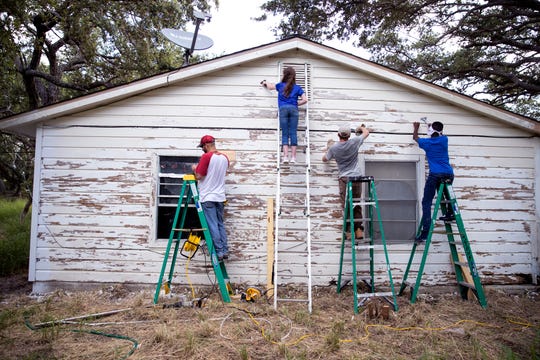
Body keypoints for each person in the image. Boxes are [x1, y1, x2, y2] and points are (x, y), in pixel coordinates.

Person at [322, 124, 370, 239]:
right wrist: (361, 127)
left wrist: (328, 148)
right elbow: (366, 133)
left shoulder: (334, 148)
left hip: (345, 179)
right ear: (348, 135)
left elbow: (324, 159)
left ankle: (349, 232)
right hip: (357, 178)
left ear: (338, 135)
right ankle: (359, 231)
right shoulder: (354, 142)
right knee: (356, 203)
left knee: (347, 205)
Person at [413, 121, 454, 244]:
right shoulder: (444, 140)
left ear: (430, 132)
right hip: (449, 173)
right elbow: (439, 133)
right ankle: (450, 213)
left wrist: (416, 128)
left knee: (426, 202)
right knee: (446, 196)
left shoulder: (427, 143)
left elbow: (415, 138)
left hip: (435, 174)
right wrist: (431, 127)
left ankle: (425, 233)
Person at [191, 135, 230, 261]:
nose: (202, 149)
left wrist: (194, 169)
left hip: (208, 196)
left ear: (207, 145)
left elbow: (198, 176)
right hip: (220, 196)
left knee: (212, 225)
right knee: (220, 224)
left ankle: (218, 252)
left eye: (202, 147)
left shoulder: (206, 157)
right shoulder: (225, 158)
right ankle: (224, 250)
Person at [261, 67, 308, 163]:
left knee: (285, 133)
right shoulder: (297, 87)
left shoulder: (280, 85)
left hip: (283, 109)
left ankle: (286, 157)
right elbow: (305, 99)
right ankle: (294, 158)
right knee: (293, 132)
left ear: (284, 75)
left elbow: (270, 86)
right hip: (293, 109)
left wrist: (265, 82)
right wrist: (295, 103)